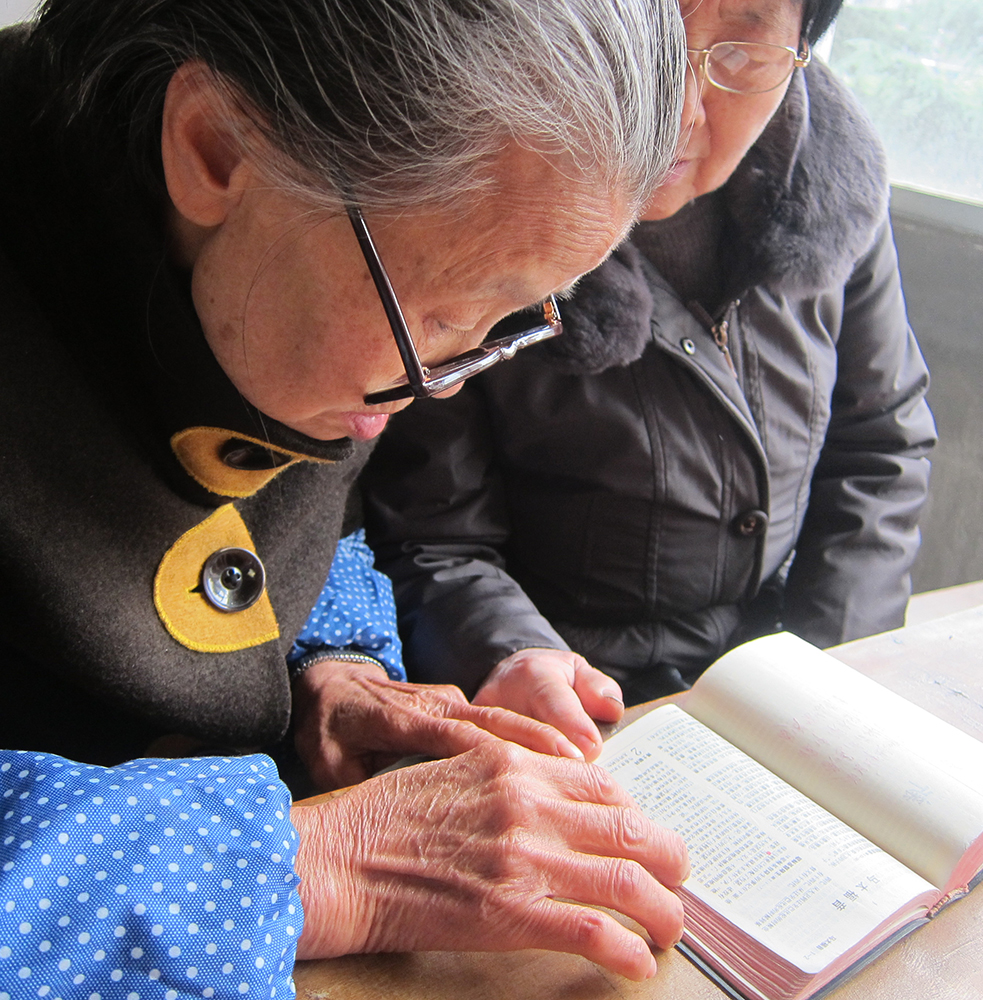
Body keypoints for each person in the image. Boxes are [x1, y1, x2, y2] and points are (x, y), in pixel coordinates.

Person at [0, 0, 691, 990]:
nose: (445, 383)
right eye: (441, 314)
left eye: (508, 320)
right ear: (214, 146)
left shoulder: (294, 286)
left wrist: (332, 660)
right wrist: (290, 865)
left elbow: (303, 520)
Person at [364, 0, 939, 758]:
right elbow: (430, 538)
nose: (675, 114)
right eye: (644, 42)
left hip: (782, 677)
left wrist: (822, 676)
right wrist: (512, 657)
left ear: (800, 50)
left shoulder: (837, 189)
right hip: (585, 710)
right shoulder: (478, 205)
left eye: (739, 54)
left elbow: (880, 446)